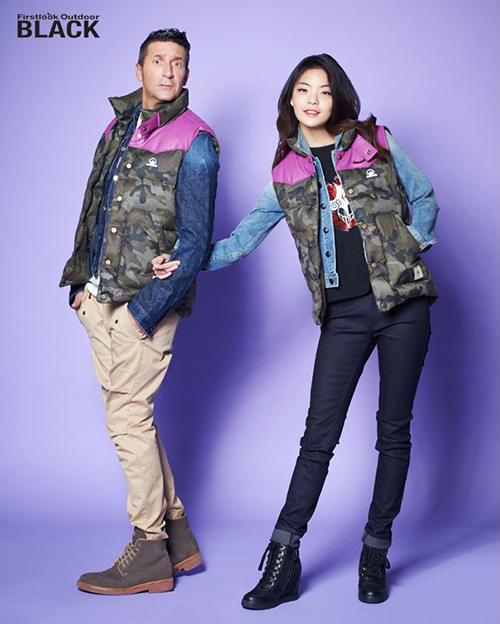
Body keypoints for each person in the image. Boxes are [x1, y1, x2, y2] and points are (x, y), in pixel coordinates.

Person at [154, 53, 439, 609]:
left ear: (338, 98)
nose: (313, 99)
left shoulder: (376, 141)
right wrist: (184, 261)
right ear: (290, 98)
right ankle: (284, 558)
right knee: (317, 440)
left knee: (393, 433)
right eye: (303, 89)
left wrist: (413, 243)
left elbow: (423, 196)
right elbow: (239, 241)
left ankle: (375, 551)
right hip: (344, 316)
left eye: (324, 91)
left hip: (405, 305)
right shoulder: (286, 175)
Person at [60, 28, 219, 595]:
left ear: (187, 73)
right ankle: (179, 539)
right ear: (139, 69)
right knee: (133, 420)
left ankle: (149, 547)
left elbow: (195, 243)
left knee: (127, 421)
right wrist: (79, 285)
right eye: (158, 61)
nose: (168, 71)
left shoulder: (197, 142)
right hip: (98, 298)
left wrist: (143, 314)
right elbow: (94, 207)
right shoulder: (117, 127)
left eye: (178, 63)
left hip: (143, 308)